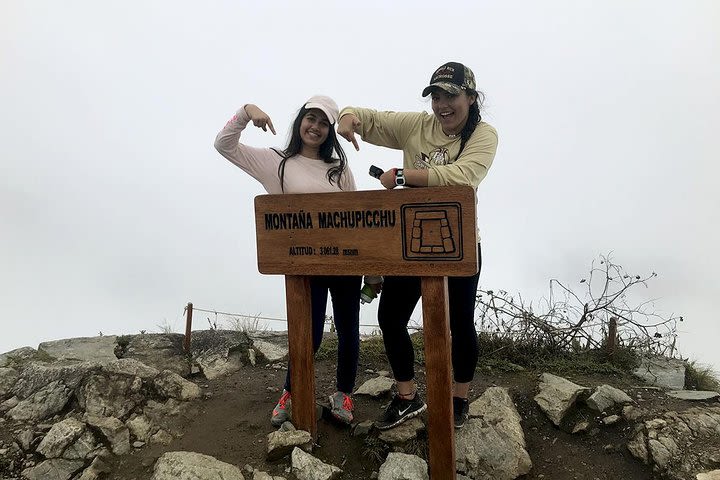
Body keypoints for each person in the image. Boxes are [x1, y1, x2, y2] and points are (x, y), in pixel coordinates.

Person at [337, 62, 498, 430]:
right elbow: (370, 118)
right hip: (410, 243)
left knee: (460, 324)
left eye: (451, 96)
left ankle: (458, 399)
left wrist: (405, 175)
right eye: (436, 96)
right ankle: (408, 397)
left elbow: (463, 177)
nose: (442, 105)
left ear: (471, 98)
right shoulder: (417, 126)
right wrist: (347, 118)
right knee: (390, 317)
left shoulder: (484, 135)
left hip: (458, 243)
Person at [214, 95, 362, 426]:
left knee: (349, 329)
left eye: (324, 123)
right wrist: (247, 111)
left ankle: (343, 396)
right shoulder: (275, 161)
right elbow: (224, 145)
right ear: (300, 122)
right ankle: (291, 392)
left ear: (330, 131)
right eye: (311, 118)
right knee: (309, 332)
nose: (317, 127)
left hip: (345, 265)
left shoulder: (339, 170)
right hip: (302, 265)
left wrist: (373, 270)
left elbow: (356, 218)